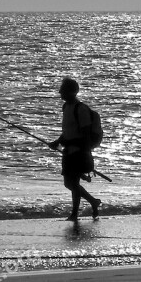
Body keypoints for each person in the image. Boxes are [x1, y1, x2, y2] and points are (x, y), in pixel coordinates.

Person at [48, 77, 101, 221]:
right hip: (68, 150)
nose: (60, 92)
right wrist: (57, 142)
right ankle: (93, 202)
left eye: (63, 90)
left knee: (73, 183)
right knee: (69, 183)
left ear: (71, 92)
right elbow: (67, 131)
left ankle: (75, 214)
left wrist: (76, 146)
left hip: (79, 151)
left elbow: (85, 134)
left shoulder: (81, 109)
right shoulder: (66, 107)